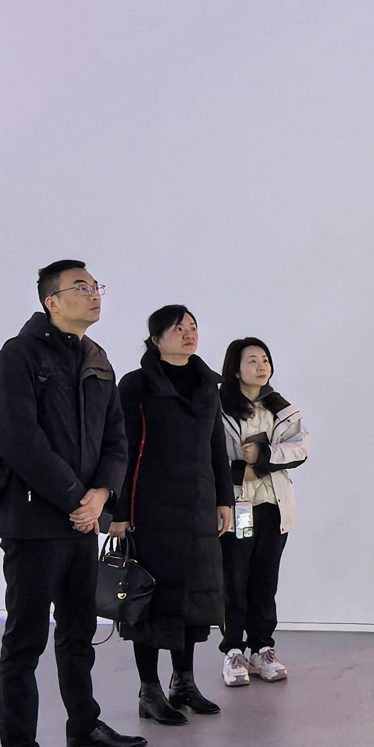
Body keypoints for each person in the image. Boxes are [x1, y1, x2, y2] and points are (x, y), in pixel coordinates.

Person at [0, 260, 145, 747]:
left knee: (79, 631)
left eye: (96, 286)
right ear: (51, 300)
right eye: (81, 287)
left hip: (83, 521)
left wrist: (101, 495)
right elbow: (18, 439)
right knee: (25, 641)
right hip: (35, 521)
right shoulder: (19, 355)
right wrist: (78, 497)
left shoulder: (96, 358)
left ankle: (83, 726)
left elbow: (116, 439)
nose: (93, 294)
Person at [110, 306, 234, 724]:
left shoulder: (207, 383)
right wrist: (119, 511)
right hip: (150, 507)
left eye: (193, 327)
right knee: (149, 599)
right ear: (156, 338)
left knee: (194, 598)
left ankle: (184, 683)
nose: (188, 334)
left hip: (197, 505)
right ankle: (149, 690)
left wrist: (223, 499)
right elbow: (123, 448)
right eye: (178, 328)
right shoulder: (136, 384)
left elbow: (216, 445)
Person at [218, 336, 309, 687]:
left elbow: (300, 448)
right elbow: (205, 453)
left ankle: (262, 648)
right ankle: (233, 650)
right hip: (238, 506)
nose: (261, 366)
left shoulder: (282, 408)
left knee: (265, 579)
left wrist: (263, 457)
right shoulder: (218, 407)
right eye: (252, 361)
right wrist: (240, 470)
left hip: (273, 505)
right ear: (235, 369)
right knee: (234, 578)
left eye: (265, 360)